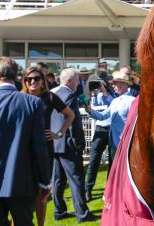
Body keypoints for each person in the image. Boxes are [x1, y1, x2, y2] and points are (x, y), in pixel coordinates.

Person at [0, 57, 51, 225]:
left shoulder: (33, 102)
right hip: (22, 181)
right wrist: (44, 181)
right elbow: (39, 147)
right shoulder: (33, 103)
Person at [21, 67, 75, 226]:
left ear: (42, 81)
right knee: (23, 190)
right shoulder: (20, 97)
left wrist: (59, 133)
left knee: (42, 191)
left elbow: (70, 115)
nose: (33, 82)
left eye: (37, 78)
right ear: (24, 81)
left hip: (45, 149)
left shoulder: (50, 97)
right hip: (23, 148)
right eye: (29, 79)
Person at [51, 68, 98, 222]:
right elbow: (73, 122)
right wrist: (78, 143)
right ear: (70, 81)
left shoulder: (52, 94)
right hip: (68, 143)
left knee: (57, 180)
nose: (78, 83)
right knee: (76, 178)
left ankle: (59, 211)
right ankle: (82, 213)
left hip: (55, 142)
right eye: (77, 80)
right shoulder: (69, 95)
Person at [86, 71, 136, 160]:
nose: (113, 86)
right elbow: (103, 116)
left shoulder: (132, 101)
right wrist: (91, 111)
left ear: (123, 84)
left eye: (115, 84)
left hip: (126, 142)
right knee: (114, 169)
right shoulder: (115, 101)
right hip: (113, 141)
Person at [85, 79, 114, 202]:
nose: (98, 87)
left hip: (112, 129)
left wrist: (106, 93)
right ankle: (88, 189)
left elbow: (113, 105)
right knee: (94, 160)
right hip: (100, 128)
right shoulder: (94, 96)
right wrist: (93, 95)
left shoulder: (113, 95)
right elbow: (91, 111)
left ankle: (110, 190)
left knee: (112, 162)